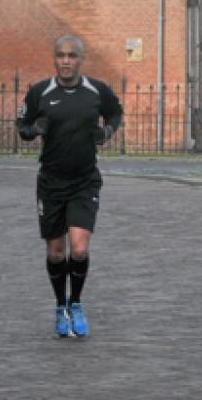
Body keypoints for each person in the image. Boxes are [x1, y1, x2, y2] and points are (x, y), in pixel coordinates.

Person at [17, 35, 123, 338]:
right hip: (51, 182)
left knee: (78, 247)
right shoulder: (40, 92)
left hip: (84, 180)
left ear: (81, 59)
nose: (66, 61)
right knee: (55, 251)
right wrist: (33, 130)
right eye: (60, 55)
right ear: (54, 59)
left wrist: (108, 131)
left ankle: (76, 304)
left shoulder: (96, 91)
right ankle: (59, 306)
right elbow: (22, 124)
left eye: (72, 56)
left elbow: (116, 112)